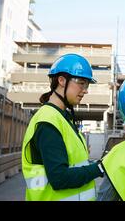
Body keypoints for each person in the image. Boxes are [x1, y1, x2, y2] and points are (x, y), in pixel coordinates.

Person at [21, 54, 104, 201]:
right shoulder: (48, 121)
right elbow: (59, 178)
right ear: (61, 80)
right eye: (81, 83)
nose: (85, 90)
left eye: (87, 85)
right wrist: (99, 168)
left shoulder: (62, 118)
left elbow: (73, 164)